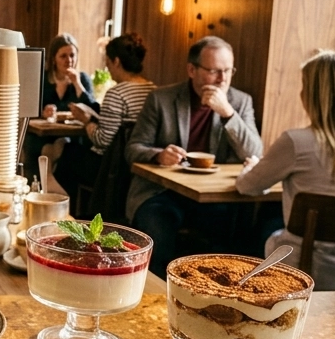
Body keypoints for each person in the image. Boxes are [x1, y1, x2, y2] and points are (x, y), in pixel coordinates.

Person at [125, 36, 264, 277]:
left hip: (213, 197)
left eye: (228, 71)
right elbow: (133, 148)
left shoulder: (240, 102)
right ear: (192, 70)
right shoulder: (162, 99)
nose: (222, 80)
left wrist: (228, 114)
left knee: (230, 241)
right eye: (213, 71)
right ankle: (155, 297)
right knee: (158, 231)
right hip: (161, 193)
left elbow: (254, 152)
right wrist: (159, 155)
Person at [236, 50, 335, 286]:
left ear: (310, 95)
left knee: (257, 228)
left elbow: (247, 187)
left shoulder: (296, 141)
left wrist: (252, 167)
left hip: (305, 264)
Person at [55, 32, 156, 196]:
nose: (107, 69)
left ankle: (70, 211)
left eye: (107, 62)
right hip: (136, 165)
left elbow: (102, 140)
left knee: (68, 153)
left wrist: (87, 121)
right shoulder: (152, 90)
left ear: (116, 61)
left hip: (111, 169)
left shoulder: (117, 94)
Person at [23, 34, 97, 187]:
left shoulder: (82, 79)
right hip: (42, 135)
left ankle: (50, 186)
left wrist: (77, 85)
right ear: (53, 58)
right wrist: (43, 112)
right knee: (44, 147)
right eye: (63, 56)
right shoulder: (43, 78)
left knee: (64, 146)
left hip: (71, 135)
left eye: (72, 55)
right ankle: (45, 184)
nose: (68, 60)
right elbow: (28, 106)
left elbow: (92, 109)